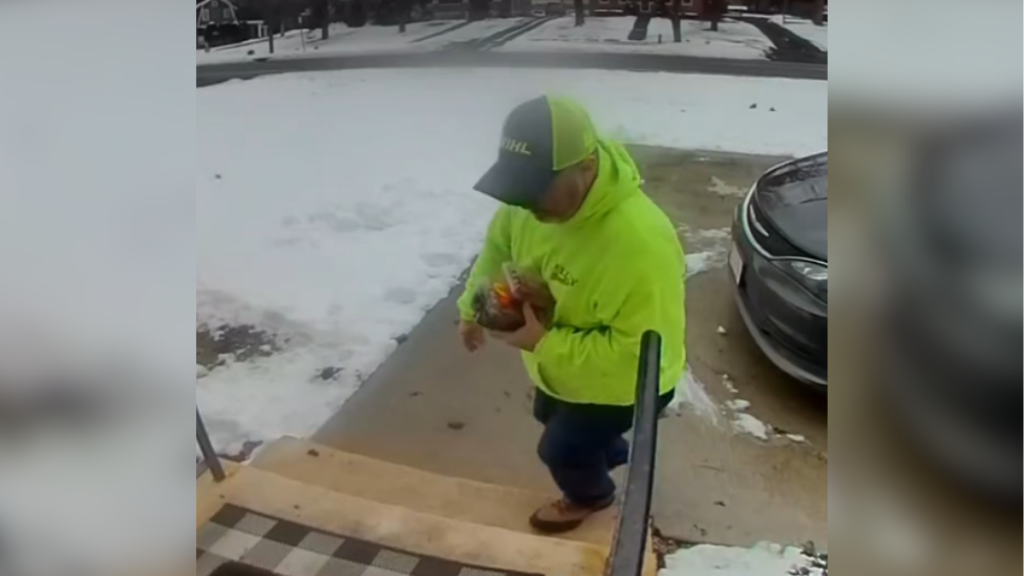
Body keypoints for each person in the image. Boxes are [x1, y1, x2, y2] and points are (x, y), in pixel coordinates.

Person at [456, 95, 686, 534]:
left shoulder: (638, 245)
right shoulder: (528, 204)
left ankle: (590, 496)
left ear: (586, 166)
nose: (525, 203)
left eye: (536, 187)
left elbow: (636, 358)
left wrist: (543, 343)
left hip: (626, 384)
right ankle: (609, 449)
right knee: (548, 412)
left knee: (558, 450)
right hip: (563, 364)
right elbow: (497, 250)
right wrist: (472, 307)